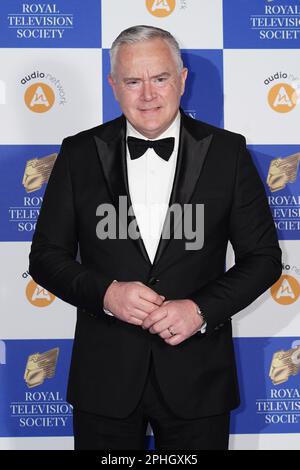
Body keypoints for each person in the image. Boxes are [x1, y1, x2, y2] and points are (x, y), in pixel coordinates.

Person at [29, 25, 282, 450]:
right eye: (133, 81)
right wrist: (106, 294)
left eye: (160, 78)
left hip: (197, 378)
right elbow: (45, 257)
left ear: (182, 78)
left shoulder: (228, 152)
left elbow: (263, 258)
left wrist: (200, 310)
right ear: (114, 86)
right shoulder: (77, 154)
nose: (147, 95)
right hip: (104, 380)